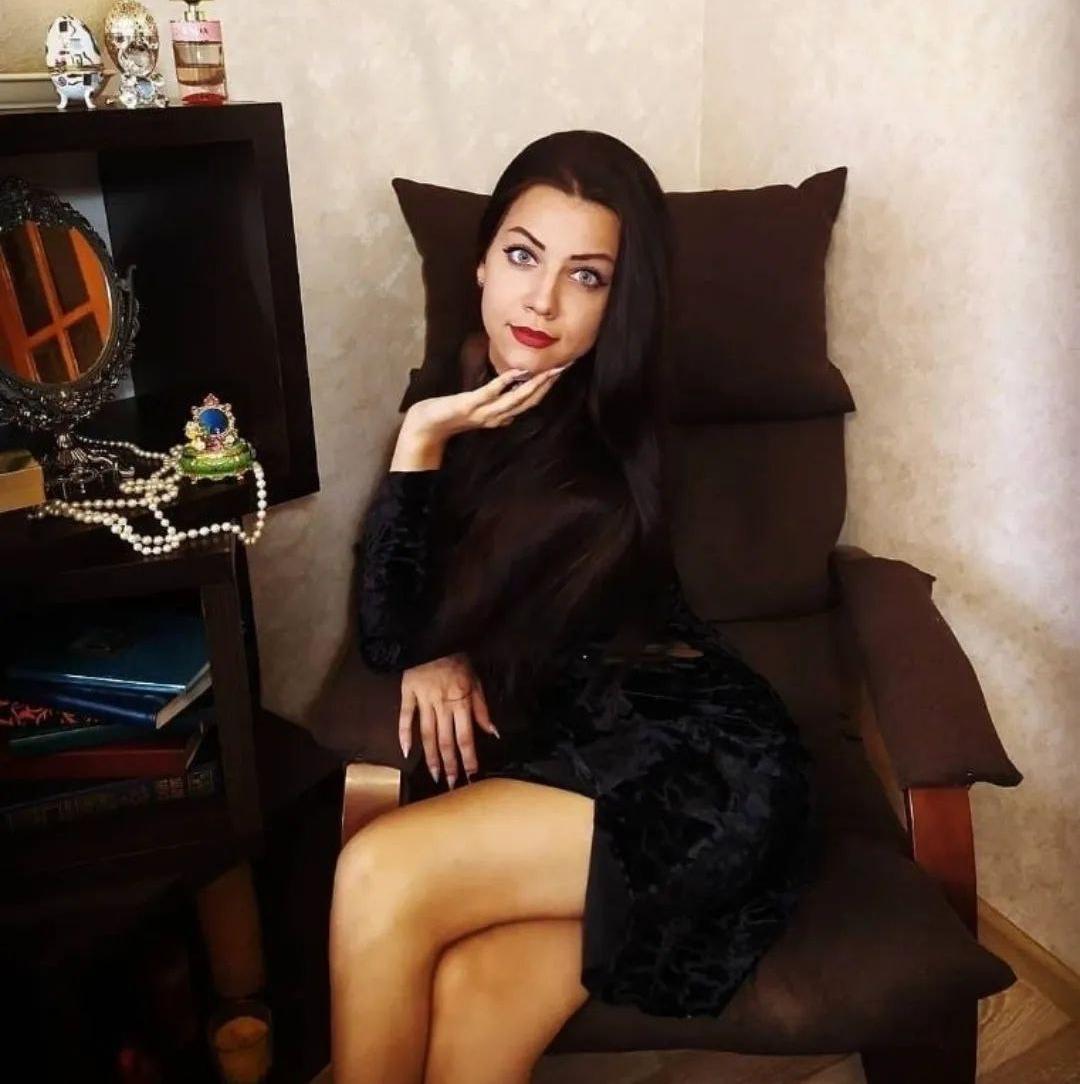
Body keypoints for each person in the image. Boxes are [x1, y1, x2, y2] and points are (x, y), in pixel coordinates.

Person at [329, 129, 821, 1084]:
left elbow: (400, 631)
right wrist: (425, 435)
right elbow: (402, 634)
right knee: (469, 1010)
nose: (543, 301)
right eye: (524, 256)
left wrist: (418, 449)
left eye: (586, 276)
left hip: (694, 772)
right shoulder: (469, 401)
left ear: (618, 304)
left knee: (380, 870)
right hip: (583, 756)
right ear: (481, 261)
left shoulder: (599, 467)